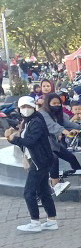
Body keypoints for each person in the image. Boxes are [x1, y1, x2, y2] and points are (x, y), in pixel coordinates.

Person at [5, 97, 58, 232]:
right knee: (43, 191)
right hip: (40, 160)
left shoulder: (36, 121)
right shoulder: (29, 121)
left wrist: (14, 139)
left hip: (39, 162)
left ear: (34, 107)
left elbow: (30, 141)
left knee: (29, 192)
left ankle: (34, 222)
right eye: (23, 107)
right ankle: (52, 220)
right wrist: (12, 138)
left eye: (28, 106)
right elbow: (25, 140)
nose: (25, 109)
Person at [41, 93, 81, 196]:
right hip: (41, 144)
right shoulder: (43, 113)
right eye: (54, 103)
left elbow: (67, 123)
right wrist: (67, 132)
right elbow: (52, 126)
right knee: (53, 159)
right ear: (48, 103)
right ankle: (56, 185)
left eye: (58, 103)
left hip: (52, 143)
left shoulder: (58, 114)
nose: (56, 105)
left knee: (71, 157)